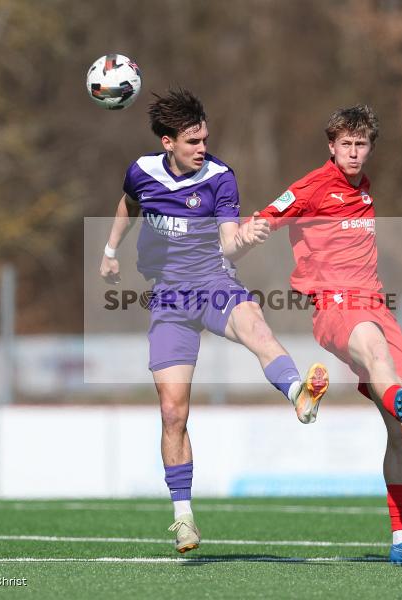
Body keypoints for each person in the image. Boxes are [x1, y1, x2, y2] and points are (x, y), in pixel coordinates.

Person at [99, 87, 329, 554]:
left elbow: (227, 242)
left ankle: (299, 394)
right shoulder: (141, 172)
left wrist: (247, 236)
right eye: (192, 141)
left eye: (204, 138)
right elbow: (129, 203)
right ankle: (183, 518)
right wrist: (109, 250)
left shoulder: (220, 178)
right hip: (168, 298)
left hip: (213, 283)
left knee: (256, 326)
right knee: (172, 412)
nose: (202, 147)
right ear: (167, 143)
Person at [251, 104, 402, 564]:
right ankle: (399, 397)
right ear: (331, 146)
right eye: (346, 145)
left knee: (399, 430)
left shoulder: (363, 189)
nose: (354, 152)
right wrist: (237, 239)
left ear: (370, 148)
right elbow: (266, 218)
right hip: (336, 305)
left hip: (376, 304)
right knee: (375, 353)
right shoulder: (313, 187)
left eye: (361, 144)